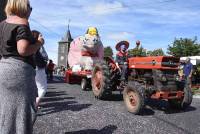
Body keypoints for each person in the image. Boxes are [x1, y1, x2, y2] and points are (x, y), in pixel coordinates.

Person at [0, 0, 44, 134]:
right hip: (19, 72)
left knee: (6, 111)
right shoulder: (22, 23)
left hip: (3, 69)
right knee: (22, 113)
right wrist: (38, 43)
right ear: (23, 7)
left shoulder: (2, 24)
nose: (31, 11)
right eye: (30, 7)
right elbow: (23, 49)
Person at [32, 30, 48, 109]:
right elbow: (45, 56)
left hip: (29, 68)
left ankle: (32, 103)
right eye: (40, 35)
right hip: (38, 67)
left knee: (32, 87)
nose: (42, 37)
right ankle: (35, 104)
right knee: (42, 88)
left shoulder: (28, 43)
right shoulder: (39, 45)